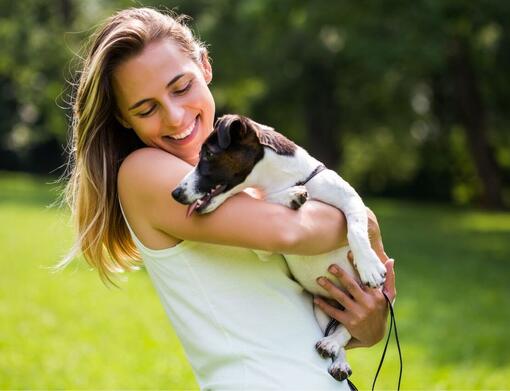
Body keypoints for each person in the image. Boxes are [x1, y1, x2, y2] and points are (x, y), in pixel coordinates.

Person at [58, 7, 396, 390]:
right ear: (122, 118)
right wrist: (361, 219)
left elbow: (291, 314)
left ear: (205, 66)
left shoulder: (239, 184)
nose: (173, 116)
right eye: (146, 108)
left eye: (181, 87)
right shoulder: (143, 173)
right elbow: (288, 232)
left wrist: (367, 325)